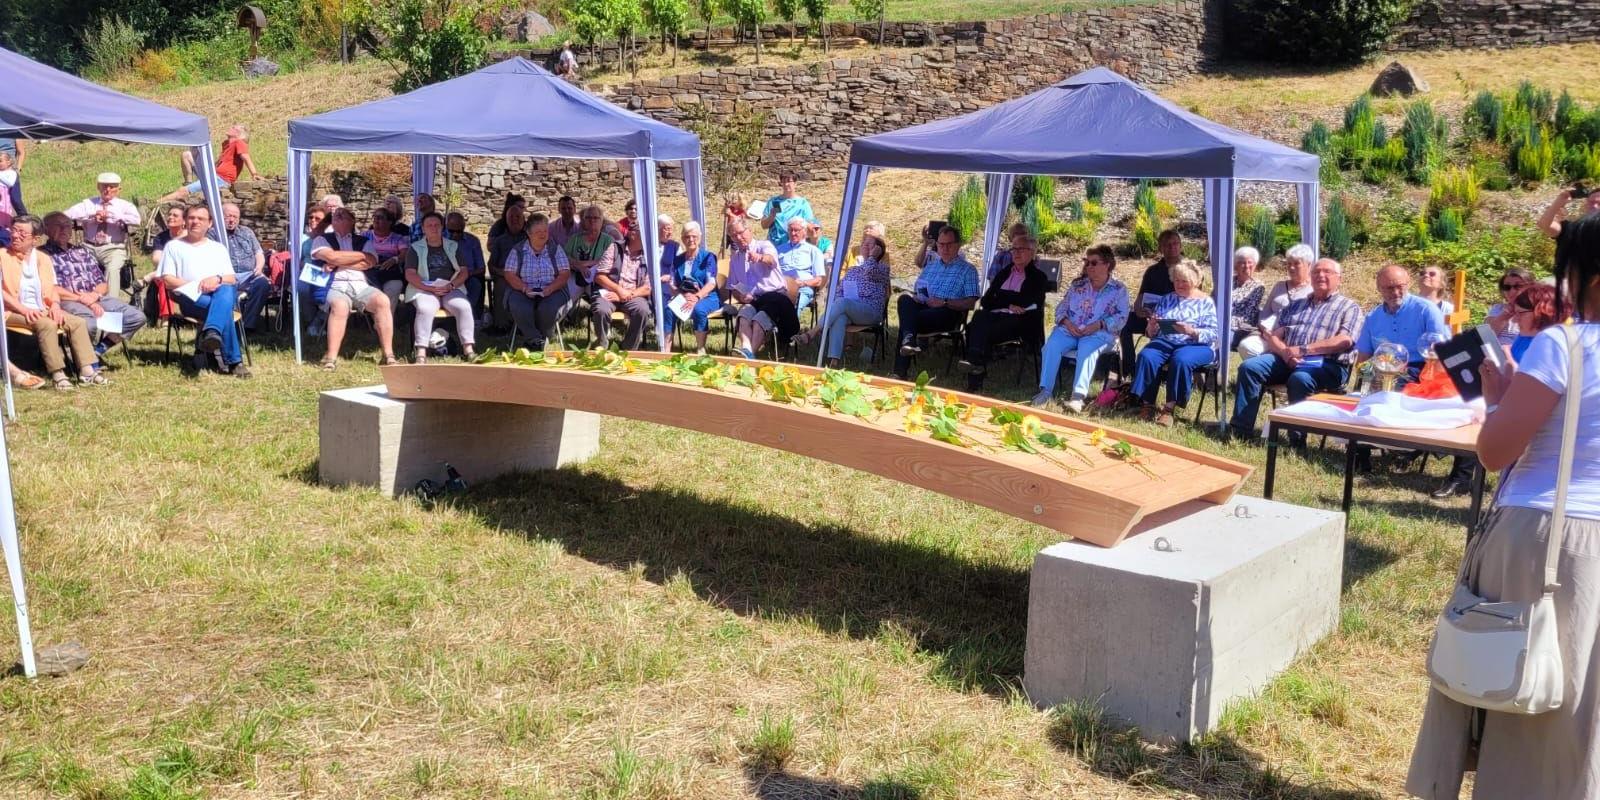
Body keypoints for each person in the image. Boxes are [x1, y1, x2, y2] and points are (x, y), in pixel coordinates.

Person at [1406, 212, 1600, 800]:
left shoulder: (1564, 344)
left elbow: (1495, 451)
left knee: (1518, 674)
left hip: (1544, 531)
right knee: (1579, 698)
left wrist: (1498, 397)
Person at [1226, 258, 1362, 442]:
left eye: (1327, 272)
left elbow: (1345, 340)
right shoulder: (1296, 305)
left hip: (1328, 365)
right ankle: (1240, 431)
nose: (1320, 275)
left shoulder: (1349, 307)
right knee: (1250, 368)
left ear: (1340, 278)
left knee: (1300, 378)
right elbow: (1275, 335)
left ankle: (1296, 441)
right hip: (1288, 359)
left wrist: (1304, 350)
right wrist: (1285, 353)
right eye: (1316, 272)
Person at [1, 216, 104, 388]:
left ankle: (87, 371)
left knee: (77, 322)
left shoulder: (43, 259)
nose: (15, 235)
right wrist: (23, 309)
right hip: (11, 311)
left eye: (21, 233)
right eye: (13, 230)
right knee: (46, 324)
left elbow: (52, 288)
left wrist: (55, 305)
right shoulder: (2, 256)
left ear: (35, 239)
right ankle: (58, 374)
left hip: (42, 307)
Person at [158, 205, 251, 377]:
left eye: (201, 219)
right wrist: (199, 284)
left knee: (226, 287)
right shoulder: (173, 246)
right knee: (223, 310)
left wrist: (216, 279)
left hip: (218, 294)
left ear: (210, 224)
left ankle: (212, 332)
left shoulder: (218, 248)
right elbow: (168, 280)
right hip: (190, 297)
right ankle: (235, 361)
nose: (195, 222)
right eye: (192, 218)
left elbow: (230, 278)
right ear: (185, 221)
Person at [40, 212, 147, 359]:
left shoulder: (81, 251)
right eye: (58, 226)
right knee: (89, 323)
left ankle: (98, 350)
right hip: (66, 301)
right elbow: (50, 287)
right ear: (46, 230)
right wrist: (82, 299)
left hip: (94, 298)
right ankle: (82, 360)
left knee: (136, 317)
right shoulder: (42, 255)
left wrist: (94, 295)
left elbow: (102, 283)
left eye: (67, 226)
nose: (64, 229)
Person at [1034, 246, 1127, 411]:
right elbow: (1061, 308)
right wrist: (1067, 323)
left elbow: (1122, 317)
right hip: (1071, 330)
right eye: (1087, 262)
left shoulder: (1119, 290)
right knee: (1052, 346)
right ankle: (1045, 391)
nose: (1088, 267)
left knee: (1086, 347)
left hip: (1100, 333)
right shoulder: (1078, 285)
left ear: (1107, 265)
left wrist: (1099, 324)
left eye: (1093, 263)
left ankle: (1077, 397)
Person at [1129, 260, 1218, 425]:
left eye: (1184, 281)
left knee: (1181, 360)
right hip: (1167, 340)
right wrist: (1152, 325)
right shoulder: (1167, 299)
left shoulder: (1206, 302)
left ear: (1195, 282)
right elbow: (1151, 334)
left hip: (1196, 345)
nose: (1179, 284)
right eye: (1176, 280)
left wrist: (1191, 331)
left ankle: (1169, 409)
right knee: (1147, 355)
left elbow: (1213, 334)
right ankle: (1147, 405)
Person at [310, 207, 398, 370]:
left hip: (361, 284)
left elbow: (370, 261)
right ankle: (331, 358)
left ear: (352, 221)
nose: (338, 216)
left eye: (342, 215)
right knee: (340, 306)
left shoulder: (364, 241)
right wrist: (359, 255)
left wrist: (338, 260)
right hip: (334, 284)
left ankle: (388, 355)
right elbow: (331, 256)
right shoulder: (321, 239)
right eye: (335, 216)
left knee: (382, 301)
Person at [959, 235, 1048, 392]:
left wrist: (1001, 297)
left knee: (979, 328)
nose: (1016, 253)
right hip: (995, 316)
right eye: (1014, 249)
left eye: (1021, 249)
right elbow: (986, 301)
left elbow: (1027, 302)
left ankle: (975, 366)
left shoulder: (1038, 277)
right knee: (978, 318)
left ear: (1032, 253)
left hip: (1020, 321)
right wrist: (1009, 302)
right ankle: (976, 365)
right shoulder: (1005, 272)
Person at [894, 226, 980, 380]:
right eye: (941, 244)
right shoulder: (931, 266)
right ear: (937, 245)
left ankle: (900, 370)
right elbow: (920, 288)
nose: (945, 248)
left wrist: (945, 302)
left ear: (958, 245)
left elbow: (970, 303)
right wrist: (918, 297)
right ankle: (909, 339)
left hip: (948, 311)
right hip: (924, 306)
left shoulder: (968, 270)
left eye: (949, 244)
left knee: (909, 321)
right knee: (904, 299)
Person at [1351, 265, 1450, 384]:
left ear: (1408, 283)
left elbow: (1443, 351)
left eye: (1400, 286)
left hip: (1418, 372)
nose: (1395, 292)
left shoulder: (1427, 310)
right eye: (1389, 288)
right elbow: (1363, 356)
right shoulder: (1372, 318)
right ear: (1379, 288)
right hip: (1383, 371)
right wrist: (1360, 384)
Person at [805, 232, 890, 368]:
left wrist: (873, 256)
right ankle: (834, 361)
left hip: (871, 312)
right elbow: (840, 291)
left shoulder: (882, 268)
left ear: (877, 249)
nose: (864, 246)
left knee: (842, 303)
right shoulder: (853, 270)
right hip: (851, 309)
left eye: (869, 244)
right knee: (840, 317)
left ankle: (814, 331)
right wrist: (840, 298)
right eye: (864, 244)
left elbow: (869, 271)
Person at [403, 212, 475, 363]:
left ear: (442, 227)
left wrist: (452, 285)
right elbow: (410, 274)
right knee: (425, 308)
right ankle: (421, 352)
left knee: (464, 306)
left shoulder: (453, 246)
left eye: (437, 225)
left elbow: (463, 271)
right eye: (429, 225)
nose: (433, 228)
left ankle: (468, 349)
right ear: (423, 229)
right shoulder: (415, 248)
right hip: (424, 288)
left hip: (450, 287)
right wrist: (428, 288)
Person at [63, 172, 141, 298]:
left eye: (112, 186)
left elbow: (137, 220)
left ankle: (111, 305)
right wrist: (91, 216)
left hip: (114, 248)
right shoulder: (88, 204)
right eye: (104, 186)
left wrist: (116, 217)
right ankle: (80, 299)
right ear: (98, 187)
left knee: (112, 269)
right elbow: (64, 215)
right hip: (88, 246)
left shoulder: (125, 206)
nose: (108, 189)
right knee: (76, 265)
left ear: (118, 189)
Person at [504, 213, 572, 350]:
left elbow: (565, 274)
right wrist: (524, 288)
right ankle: (536, 338)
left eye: (545, 231)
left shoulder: (556, 249)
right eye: (538, 232)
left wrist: (550, 289)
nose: (543, 234)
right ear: (528, 233)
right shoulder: (518, 250)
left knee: (547, 308)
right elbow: (509, 274)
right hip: (524, 288)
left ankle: (540, 338)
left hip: (552, 289)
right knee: (519, 306)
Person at [1120, 229, 1182, 379]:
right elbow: (1141, 297)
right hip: (1150, 317)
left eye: (1175, 243)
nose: (1172, 247)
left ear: (1181, 246)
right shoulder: (1153, 271)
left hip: (1176, 321)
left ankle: (1164, 371)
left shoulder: (1189, 270)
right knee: (1124, 322)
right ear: (1160, 248)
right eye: (1167, 245)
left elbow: (1194, 301)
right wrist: (1140, 310)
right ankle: (1130, 369)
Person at [1239, 243, 1315, 359]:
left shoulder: (1314, 289)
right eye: (1289, 264)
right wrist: (1266, 331)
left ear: (1309, 265)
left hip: (1295, 337)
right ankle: (1265, 372)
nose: (1291, 267)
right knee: (1246, 346)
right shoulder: (1279, 286)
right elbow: (1265, 313)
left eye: (1296, 264)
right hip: (1269, 334)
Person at [664, 222, 721, 354]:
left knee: (699, 310)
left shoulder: (708, 257)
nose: (691, 240)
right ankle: (666, 350)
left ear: (699, 238)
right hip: (683, 296)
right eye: (687, 237)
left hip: (707, 296)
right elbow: (672, 283)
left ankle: (700, 348)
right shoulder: (678, 260)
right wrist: (681, 295)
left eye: (694, 236)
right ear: (683, 239)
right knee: (668, 309)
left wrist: (696, 297)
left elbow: (711, 283)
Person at [592, 225, 654, 350]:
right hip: (610, 292)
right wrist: (619, 290)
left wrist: (626, 295)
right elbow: (599, 276)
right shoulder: (614, 248)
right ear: (632, 234)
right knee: (601, 310)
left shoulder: (649, 254)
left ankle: (629, 349)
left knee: (642, 311)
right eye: (643, 234)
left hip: (634, 295)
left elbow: (648, 287)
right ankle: (601, 345)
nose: (648, 238)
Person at [162, 124, 260, 201]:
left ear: (238, 134)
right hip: (213, 175)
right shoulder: (227, 145)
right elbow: (218, 163)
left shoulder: (239, 143)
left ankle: (158, 202)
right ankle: (189, 183)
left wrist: (254, 174)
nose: (230, 128)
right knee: (187, 155)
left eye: (234, 128)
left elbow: (246, 157)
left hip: (220, 179)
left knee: (182, 192)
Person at [220, 202, 272, 331]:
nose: (232, 220)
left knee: (263, 283)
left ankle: (248, 324)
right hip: (225, 275)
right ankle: (228, 324)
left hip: (249, 274)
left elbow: (258, 253)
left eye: (235, 217)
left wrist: (259, 268)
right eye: (228, 216)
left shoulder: (247, 232)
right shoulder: (214, 233)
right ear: (220, 216)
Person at [562, 204, 613, 327]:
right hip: (575, 275)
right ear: (583, 220)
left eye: (596, 218)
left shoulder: (608, 240)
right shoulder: (575, 239)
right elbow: (564, 257)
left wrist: (588, 263)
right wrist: (579, 266)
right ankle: (558, 324)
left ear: (602, 221)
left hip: (598, 278)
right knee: (564, 296)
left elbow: (610, 260)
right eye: (588, 218)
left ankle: (604, 327)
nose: (592, 221)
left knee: (603, 299)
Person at [487, 196, 528, 330]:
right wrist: (504, 273)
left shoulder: (530, 238)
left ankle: (526, 324)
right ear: (506, 220)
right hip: (504, 276)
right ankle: (501, 326)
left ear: (523, 219)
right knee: (501, 286)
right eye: (511, 217)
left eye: (518, 217)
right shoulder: (500, 241)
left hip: (528, 275)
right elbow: (491, 265)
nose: (515, 220)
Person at [775, 216, 826, 318]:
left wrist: (802, 283)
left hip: (802, 288)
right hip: (780, 287)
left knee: (791, 307)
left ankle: (786, 332)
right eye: (790, 230)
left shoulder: (814, 251)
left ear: (804, 231)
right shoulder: (779, 249)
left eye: (796, 230)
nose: (793, 233)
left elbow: (819, 280)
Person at [444, 212, 488, 319]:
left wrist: (467, 274)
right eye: (451, 231)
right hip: (445, 277)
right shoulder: (439, 240)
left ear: (463, 228)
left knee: (476, 284)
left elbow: (481, 268)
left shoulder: (472, 241)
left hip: (468, 277)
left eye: (458, 231)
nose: (454, 234)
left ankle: (469, 315)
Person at [365, 208, 410, 306]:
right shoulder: (365, 236)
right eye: (374, 217)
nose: (376, 220)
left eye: (380, 217)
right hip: (369, 272)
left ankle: (387, 319)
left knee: (395, 286)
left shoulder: (397, 238)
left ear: (389, 222)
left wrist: (395, 259)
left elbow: (405, 252)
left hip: (389, 271)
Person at [759, 171, 814, 246]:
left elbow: (810, 226)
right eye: (783, 182)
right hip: (774, 244)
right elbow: (763, 226)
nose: (786, 184)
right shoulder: (773, 201)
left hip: (794, 244)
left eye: (789, 181)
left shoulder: (803, 203)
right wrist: (771, 217)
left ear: (795, 183)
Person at [1487, 267, 1537, 348]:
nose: (1512, 291)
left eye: (1518, 286)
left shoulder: (1538, 310)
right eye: (1507, 287)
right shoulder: (1498, 309)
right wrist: (1504, 316)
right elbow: (1486, 337)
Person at [1228, 246, 1266, 353]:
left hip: (1240, 328)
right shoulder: (1228, 281)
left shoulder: (1258, 287)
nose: (1247, 266)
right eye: (1242, 263)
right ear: (1236, 265)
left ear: (1255, 265)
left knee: (1219, 340)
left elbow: (1247, 315)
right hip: (1221, 323)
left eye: (1250, 262)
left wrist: (1226, 323)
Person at [1535, 184, 1600, 239]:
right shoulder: (1571, 229)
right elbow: (1544, 225)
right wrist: (1558, 201)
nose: (1594, 206)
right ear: (1585, 205)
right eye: (1591, 202)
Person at [0, 137, 27, 215]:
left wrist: (18, 169)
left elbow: (21, 152)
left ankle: (24, 218)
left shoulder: (13, 131)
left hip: (9, 171)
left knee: (15, 199)